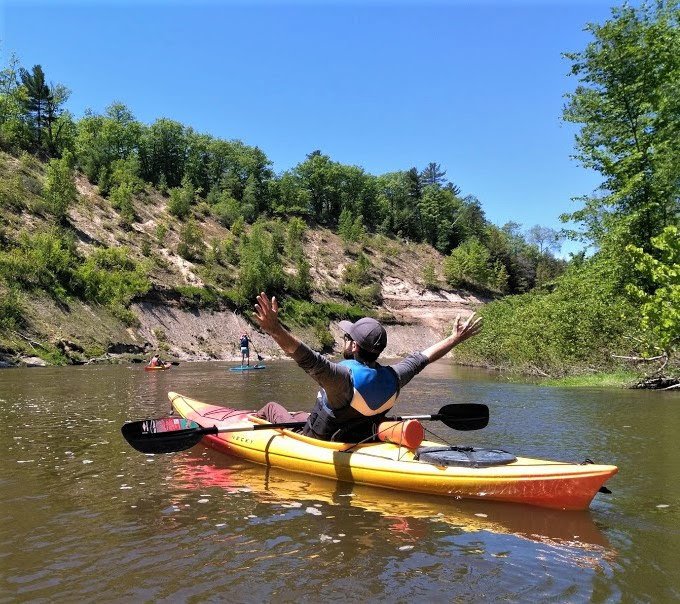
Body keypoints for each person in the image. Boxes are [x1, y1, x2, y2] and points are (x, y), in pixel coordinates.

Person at [252, 291, 482, 442]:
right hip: (360, 437)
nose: (344, 339)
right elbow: (425, 357)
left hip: (321, 440)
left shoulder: (340, 377)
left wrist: (275, 330)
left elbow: (302, 354)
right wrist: (455, 339)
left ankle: (251, 419)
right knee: (302, 414)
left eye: (346, 337)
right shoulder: (395, 376)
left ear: (353, 346)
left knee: (272, 407)